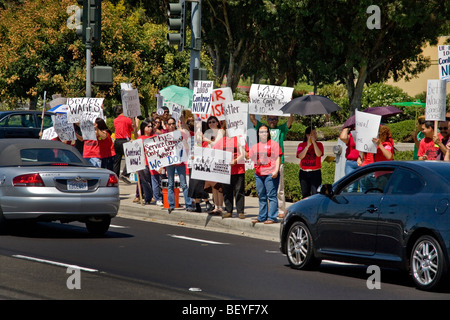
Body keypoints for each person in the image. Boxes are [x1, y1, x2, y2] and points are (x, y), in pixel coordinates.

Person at [250, 113, 293, 218]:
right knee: (265, 191)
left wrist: (290, 110)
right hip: (265, 164)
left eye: (274, 119)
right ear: (267, 119)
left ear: (277, 120)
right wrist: (251, 102)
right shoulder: (264, 128)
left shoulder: (281, 129)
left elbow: (290, 121)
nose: (272, 120)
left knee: (279, 188)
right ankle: (266, 213)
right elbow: (252, 119)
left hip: (278, 161)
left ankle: (281, 210)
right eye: (270, 118)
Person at [212, 128, 249, 219]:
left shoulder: (240, 139)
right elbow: (212, 151)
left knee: (239, 191)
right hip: (225, 171)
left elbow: (247, 156)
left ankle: (240, 212)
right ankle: (229, 211)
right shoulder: (222, 141)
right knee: (226, 191)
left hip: (238, 169)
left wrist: (240, 148)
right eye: (227, 128)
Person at [249, 125, 282, 224]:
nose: (263, 134)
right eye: (261, 132)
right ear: (258, 134)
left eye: (265, 131)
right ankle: (262, 216)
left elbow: (277, 158)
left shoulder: (274, 144)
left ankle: (272, 217)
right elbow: (249, 157)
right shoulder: (255, 146)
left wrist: (276, 171)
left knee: (271, 196)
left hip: (270, 174)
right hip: (259, 174)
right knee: (261, 196)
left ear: (268, 133)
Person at [163, 117, 194, 213]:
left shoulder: (180, 134)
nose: (171, 125)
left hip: (180, 162)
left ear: (175, 124)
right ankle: (171, 205)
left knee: (184, 184)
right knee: (171, 184)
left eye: (173, 123)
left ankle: (188, 205)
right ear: (167, 125)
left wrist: (182, 140)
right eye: (170, 124)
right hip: (170, 163)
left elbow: (187, 146)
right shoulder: (165, 135)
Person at [203, 116, 225, 214]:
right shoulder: (208, 133)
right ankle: (216, 206)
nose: (211, 124)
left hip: (220, 161)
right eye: (209, 122)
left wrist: (206, 139)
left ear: (217, 123)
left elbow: (216, 144)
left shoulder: (221, 131)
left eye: (213, 122)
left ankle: (221, 206)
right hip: (210, 161)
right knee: (213, 186)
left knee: (219, 186)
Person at [296, 127, 324, 199]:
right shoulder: (301, 145)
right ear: (307, 135)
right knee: (305, 194)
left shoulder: (319, 144)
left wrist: (314, 143)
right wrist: (307, 146)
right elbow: (300, 156)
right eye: (313, 134)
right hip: (304, 172)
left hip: (315, 173)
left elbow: (318, 154)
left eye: (315, 133)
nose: (315, 135)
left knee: (315, 194)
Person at [113, 105, 137, 184]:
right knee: (131, 158)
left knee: (117, 161)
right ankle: (125, 174)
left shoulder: (115, 120)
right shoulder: (128, 119)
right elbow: (133, 129)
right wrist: (135, 121)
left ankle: (115, 177)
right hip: (125, 140)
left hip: (117, 141)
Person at [133, 119, 154, 205]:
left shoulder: (154, 137)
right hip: (144, 163)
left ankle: (154, 196)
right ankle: (148, 197)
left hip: (153, 163)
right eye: (148, 126)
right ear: (143, 127)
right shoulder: (140, 139)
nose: (150, 128)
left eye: (151, 126)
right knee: (145, 181)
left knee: (153, 181)